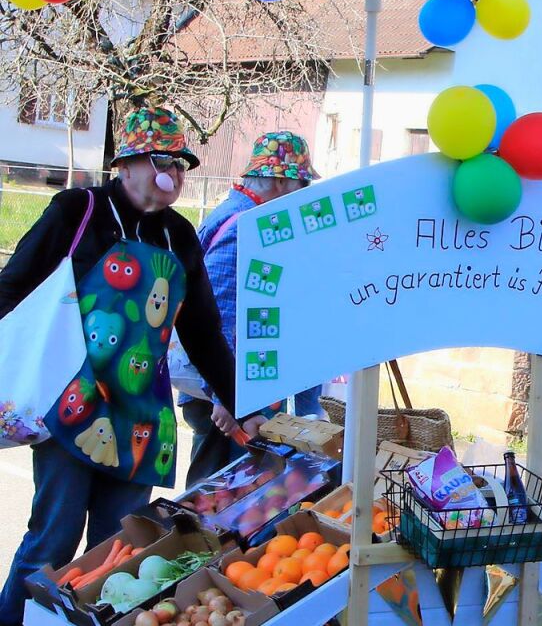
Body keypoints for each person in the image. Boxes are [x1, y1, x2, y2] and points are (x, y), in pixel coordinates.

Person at [0, 106, 263, 625]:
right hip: (72, 404)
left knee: (118, 552)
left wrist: (243, 405)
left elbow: (203, 333)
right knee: (52, 538)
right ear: (125, 165)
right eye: (161, 159)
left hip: (142, 416)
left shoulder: (180, 237)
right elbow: (13, 284)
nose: (173, 172)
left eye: (182, 163)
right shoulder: (78, 209)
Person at [178, 130, 322, 486]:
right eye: (301, 183)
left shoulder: (244, 216)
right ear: (278, 182)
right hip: (228, 395)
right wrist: (228, 397)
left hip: (233, 390)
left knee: (226, 494)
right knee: (219, 497)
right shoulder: (244, 227)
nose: (305, 194)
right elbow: (218, 316)